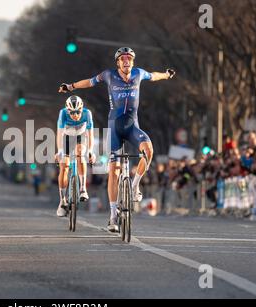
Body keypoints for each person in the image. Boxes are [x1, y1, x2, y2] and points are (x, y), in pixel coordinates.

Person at [59, 47, 175, 231]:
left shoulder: (139, 73)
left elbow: (154, 76)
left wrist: (166, 75)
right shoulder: (108, 75)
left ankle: (135, 185)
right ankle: (113, 216)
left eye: (129, 58)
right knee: (113, 170)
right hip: (114, 127)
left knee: (149, 150)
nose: (126, 60)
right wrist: (71, 87)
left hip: (132, 127)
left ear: (133, 61)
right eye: (123, 58)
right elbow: (89, 82)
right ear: (118, 62)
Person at [55, 95, 96, 217]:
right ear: (67, 110)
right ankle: (62, 200)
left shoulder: (87, 114)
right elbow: (59, 134)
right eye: (72, 112)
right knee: (64, 166)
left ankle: (83, 188)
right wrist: (60, 151)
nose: (75, 115)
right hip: (66, 137)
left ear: (81, 109)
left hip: (80, 136)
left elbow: (90, 134)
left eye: (77, 112)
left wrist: (90, 151)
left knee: (80, 153)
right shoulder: (62, 113)